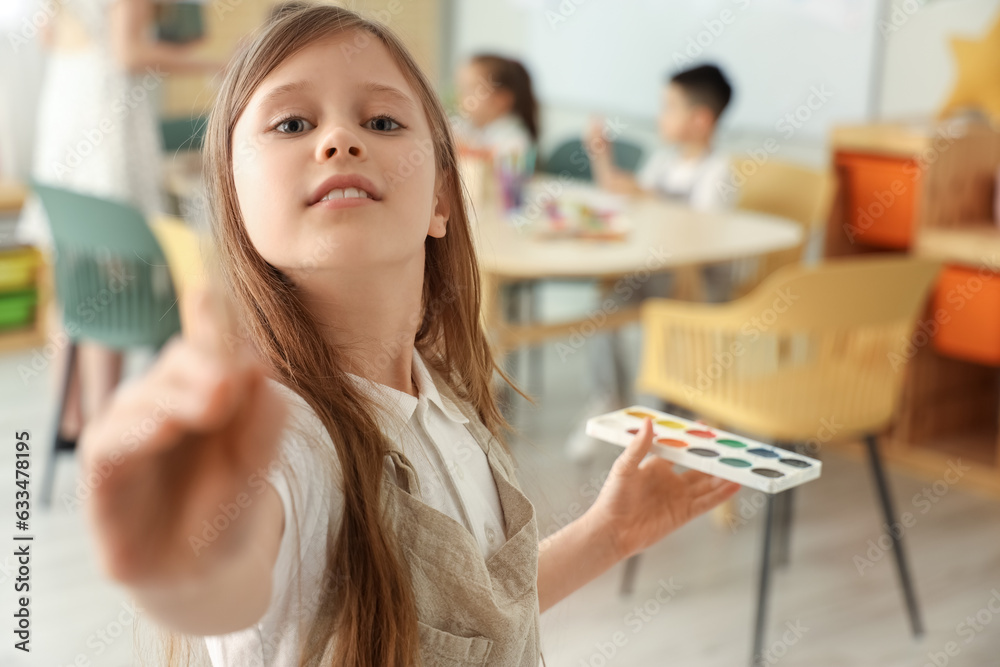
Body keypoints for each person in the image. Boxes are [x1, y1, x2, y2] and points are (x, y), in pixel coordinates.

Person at [79, 6, 739, 666]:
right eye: (292, 123)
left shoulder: (445, 396)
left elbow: (477, 615)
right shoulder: (282, 434)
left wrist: (608, 534)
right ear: (232, 189)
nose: (339, 139)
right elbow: (226, 580)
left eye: (382, 122)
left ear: (441, 199)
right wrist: (180, 555)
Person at [18, 0, 222, 455]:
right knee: (111, 271)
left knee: (74, 264)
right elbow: (129, 53)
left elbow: (49, 34)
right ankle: (103, 431)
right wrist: (217, 64)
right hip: (106, 115)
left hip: (65, 104)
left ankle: (70, 420)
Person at [566, 64, 738, 462]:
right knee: (605, 310)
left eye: (669, 107)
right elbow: (625, 198)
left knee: (651, 328)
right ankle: (606, 399)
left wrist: (645, 195)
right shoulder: (662, 162)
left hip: (697, 288)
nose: (660, 115)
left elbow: (703, 235)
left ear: (700, 119)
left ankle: (652, 424)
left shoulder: (719, 172)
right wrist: (602, 157)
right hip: (652, 275)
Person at [453, 53, 538, 173]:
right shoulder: (466, 126)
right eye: (461, 88)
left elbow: (502, 175)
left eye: (470, 89)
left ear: (501, 99)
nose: (460, 97)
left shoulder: (515, 141)